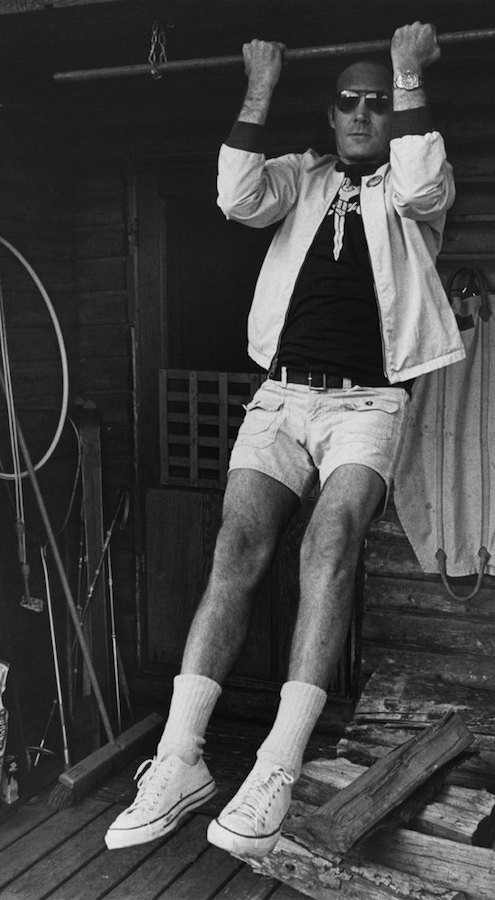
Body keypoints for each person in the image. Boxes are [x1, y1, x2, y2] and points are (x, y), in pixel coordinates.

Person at [105, 21, 465, 858]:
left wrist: (411, 78)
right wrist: (258, 89)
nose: (365, 113)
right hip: (281, 397)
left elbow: (417, 182)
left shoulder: (418, 190)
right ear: (330, 113)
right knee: (237, 546)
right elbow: (234, 195)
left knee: (331, 540)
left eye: (379, 103)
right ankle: (180, 759)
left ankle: (276, 762)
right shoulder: (299, 179)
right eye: (351, 101)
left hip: (367, 404)